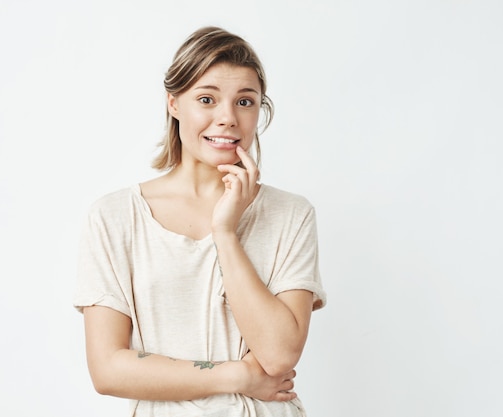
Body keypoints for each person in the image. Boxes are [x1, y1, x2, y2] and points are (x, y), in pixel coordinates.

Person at [73, 26, 327, 417]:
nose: (227, 118)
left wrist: (225, 232)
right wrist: (236, 376)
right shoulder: (115, 216)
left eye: (245, 102)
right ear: (174, 104)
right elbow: (108, 369)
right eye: (207, 99)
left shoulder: (290, 214)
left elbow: (278, 356)